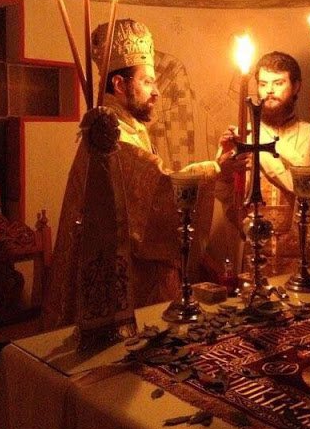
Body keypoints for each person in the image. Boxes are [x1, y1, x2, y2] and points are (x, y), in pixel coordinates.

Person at [42, 19, 240, 329]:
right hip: (119, 285)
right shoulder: (111, 137)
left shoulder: (126, 128)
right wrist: (215, 169)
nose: (157, 92)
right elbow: (159, 195)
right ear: (120, 85)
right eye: (148, 82)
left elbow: (151, 188)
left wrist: (216, 164)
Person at [211, 51, 310, 275]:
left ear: (296, 86)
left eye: (278, 83)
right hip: (253, 259)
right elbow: (228, 200)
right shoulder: (245, 138)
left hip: (301, 262)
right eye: (263, 84)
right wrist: (224, 170)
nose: (269, 90)